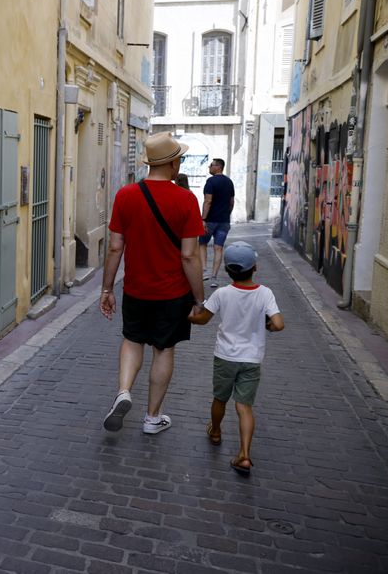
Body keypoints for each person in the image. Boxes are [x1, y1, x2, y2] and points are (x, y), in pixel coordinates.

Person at [100, 132, 206, 435]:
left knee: (132, 340)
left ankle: (123, 391)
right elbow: (189, 256)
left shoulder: (125, 195)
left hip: (136, 288)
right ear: (173, 163)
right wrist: (199, 299)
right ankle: (152, 418)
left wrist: (107, 289)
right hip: (172, 293)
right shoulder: (186, 200)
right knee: (163, 349)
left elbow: (115, 247)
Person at [188, 241, 284, 476]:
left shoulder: (222, 293)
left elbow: (203, 319)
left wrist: (190, 316)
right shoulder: (265, 293)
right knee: (244, 406)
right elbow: (279, 324)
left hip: (225, 356)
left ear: (227, 271)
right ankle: (244, 455)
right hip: (251, 359)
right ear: (255, 268)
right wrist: (268, 326)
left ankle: (216, 432)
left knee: (220, 398)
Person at [199, 158, 235, 288]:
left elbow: (208, 201)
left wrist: (203, 219)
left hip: (210, 220)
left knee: (202, 243)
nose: (209, 167)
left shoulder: (211, 181)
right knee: (218, 248)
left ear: (218, 167)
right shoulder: (229, 182)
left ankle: (204, 271)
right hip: (224, 221)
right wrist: (227, 214)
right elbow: (231, 202)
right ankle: (214, 277)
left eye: (211, 165)